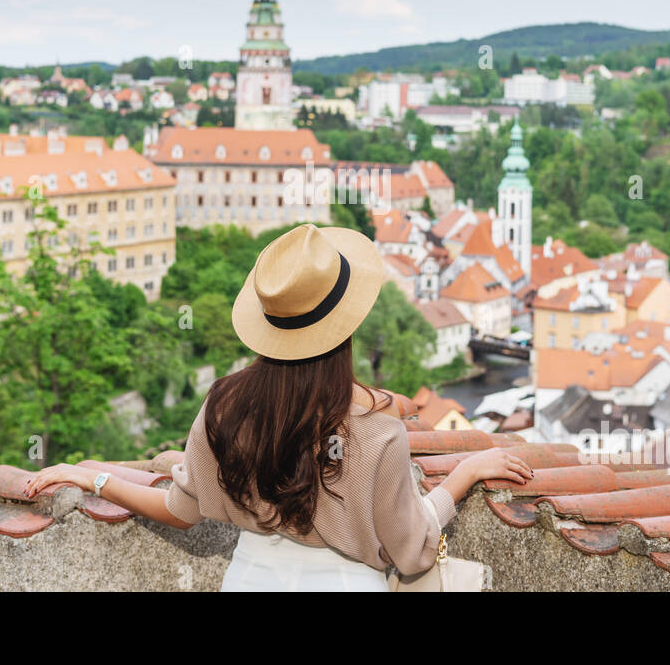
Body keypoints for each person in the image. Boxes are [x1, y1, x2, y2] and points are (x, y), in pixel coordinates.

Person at [26, 223, 533, 591]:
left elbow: (181, 510)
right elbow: (413, 551)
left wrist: (88, 476)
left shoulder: (224, 407)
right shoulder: (377, 433)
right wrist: (464, 473)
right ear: (346, 325)